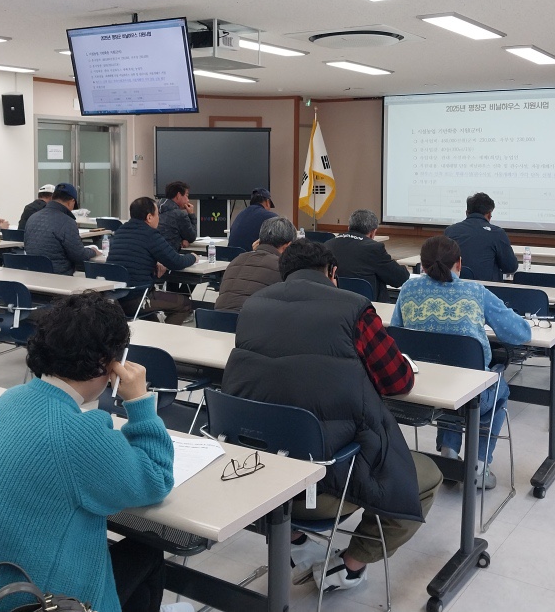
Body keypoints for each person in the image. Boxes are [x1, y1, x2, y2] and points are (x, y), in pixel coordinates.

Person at [0, 293, 187, 612]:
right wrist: (140, 402)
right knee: (147, 552)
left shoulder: (11, 400)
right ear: (108, 364)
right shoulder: (78, 433)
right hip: (25, 606)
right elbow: (157, 479)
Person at [223, 239, 440, 593]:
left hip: (256, 472)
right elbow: (397, 382)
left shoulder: (253, 305)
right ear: (332, 272)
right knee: (425, 477)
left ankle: (294, 540)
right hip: (323, 482)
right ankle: (349, 566)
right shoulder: (354, 309)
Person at [392, 236, 531, 484]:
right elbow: (520, 333)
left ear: (422, 265)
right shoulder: (475, 292)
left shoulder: (408, 290)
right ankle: (478, 465)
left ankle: (448, 451)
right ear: (459, 263)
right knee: (498, 389)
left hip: (421, 387)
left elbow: (396, 333)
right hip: (469, 394)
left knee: (446, 374)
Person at [107, 197, 196, 323]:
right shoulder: (150, 234)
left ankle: (155, 333)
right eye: (157, 215)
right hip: (138, 297)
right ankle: (163, 336)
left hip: (114, 298)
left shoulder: (120, 231)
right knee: (185, 304)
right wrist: (193, 257)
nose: (159, 218)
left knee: (152, 320)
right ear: (149, 217)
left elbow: (134, 257)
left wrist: (154, 262)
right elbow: (177, 262)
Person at [324, 209, 409, 302]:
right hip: (368, 305)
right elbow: (400, 278)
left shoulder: (328, 245)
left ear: (349, 228)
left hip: (333, 302)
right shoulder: (373, 248)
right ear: (373, 233)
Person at [215, 216, 296, 312]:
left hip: (216, 319)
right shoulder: (282, 268)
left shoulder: (236, 260)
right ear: (287, 247)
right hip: (249, 320)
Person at [23, 182, 101, 274]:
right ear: (71, 201)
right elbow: (79, 255)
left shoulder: (32, 218)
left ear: (53, 198)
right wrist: (93, 251)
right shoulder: (67, 222)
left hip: (33, 274)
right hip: (58, 275)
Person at [444, 192, 518, 282]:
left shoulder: (450, 231)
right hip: (487, 288)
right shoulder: (497, 233)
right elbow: (510, 267)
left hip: (456, 288)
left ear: (467, 213)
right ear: (489, 215)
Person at [227, 188, 278, 254]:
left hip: (230, 257)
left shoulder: (241, 214)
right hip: (249, 257)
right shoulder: (271, 217)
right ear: (267, 202)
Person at [157, 180, 197, 252]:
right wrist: (191, 214)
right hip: (170, 255)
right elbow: (191, 237)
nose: (188, 200)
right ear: (178, 195)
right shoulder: (179, 214)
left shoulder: (155, 210)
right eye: (186, 196)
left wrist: (181, 239)